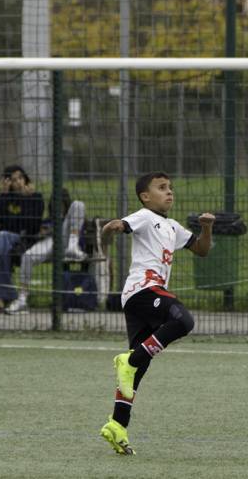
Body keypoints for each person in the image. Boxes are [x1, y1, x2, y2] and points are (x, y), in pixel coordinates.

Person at [98, 171, 214, 455]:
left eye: (171, 187)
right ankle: (130, 360)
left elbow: (201, 250)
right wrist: (113, 227)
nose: (169, 192)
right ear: (145, 197)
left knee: (137, 369)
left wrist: (206, 228)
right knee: (183, 320)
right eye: (162, 188)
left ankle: (117, 425)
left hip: (141, 297)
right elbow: (124, 224)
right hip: (143, 290)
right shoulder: (146, 216)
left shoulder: (172, 226)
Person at [0, 165, 44, 310]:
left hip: (24, 239)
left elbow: (32, 225)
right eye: (12, 180)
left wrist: (26, 199)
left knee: (2, 236)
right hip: (3, 241)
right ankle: (6, 297)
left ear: (25, 179)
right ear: (7, 182)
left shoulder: (35, 197)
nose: (17, 182)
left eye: (20, 178)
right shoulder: (7, 197)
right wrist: (4, 195)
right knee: (2, 253)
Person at [6, 188, 87, 314]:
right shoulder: (49, 220)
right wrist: (43, 232)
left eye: (60, 204)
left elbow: (83, 238)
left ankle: (72, 246)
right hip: (50, 241)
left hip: (67, 242)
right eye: (55, 204)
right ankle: (22, 299)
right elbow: (38, 233)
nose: (58, 207)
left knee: (78, 204)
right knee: (27, 256)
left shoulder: (72, 217)